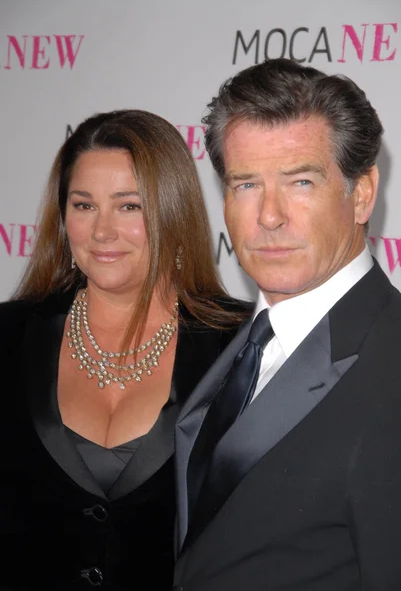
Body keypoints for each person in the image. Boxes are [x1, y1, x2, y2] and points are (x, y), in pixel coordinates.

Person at [173, 58, 401, 590]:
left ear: (362, 194)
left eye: (300, 181)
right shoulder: (233, 345)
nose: (269, 216)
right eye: (246, 184)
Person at [0, 109, 251, 590]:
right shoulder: (10, 336)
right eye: (84, 205)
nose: (102, 231)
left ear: (171, 210)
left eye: (129, 206)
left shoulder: (241, 345)